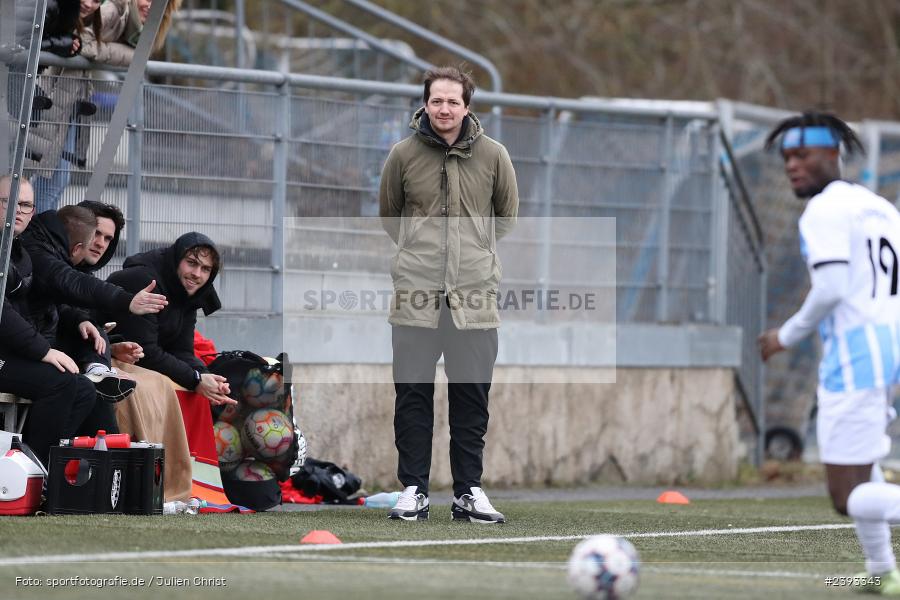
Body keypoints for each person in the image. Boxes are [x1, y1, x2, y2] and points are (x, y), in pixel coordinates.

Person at [758, 112, 900, 593]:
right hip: (885, 352)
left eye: (803, 156)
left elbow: (833, 288)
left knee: (847, 495)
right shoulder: (880, 207)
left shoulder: (824, 210)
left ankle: (882, 571)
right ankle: (883, 573)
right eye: (787, 159)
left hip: (855, 359)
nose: (793, 166)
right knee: (867, 468)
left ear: (833, 153)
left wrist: (785, 336)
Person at [378, 66, 519, 523]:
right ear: (425, 104)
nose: (444, 109)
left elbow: (506, 216)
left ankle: (468, 493)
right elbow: (390, 216)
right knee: (413, 396)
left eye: (452, 101)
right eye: (436, 101)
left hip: (475, 295)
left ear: (467, 106)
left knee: (471, 398)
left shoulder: (495, 155)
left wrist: (473, 249)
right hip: (415, 294)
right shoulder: (402, 154)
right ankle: (414, 489)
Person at [0, 176, 114, 466]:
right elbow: (3, 312)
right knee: (61, 382)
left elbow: (39, 304)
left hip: (13, 353)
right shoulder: (24, 251)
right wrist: (44, 350)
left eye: (25, 205)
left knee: (85, 388)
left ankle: (57, 471)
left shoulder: (19, 251)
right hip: (8, 356)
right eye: (8, 201)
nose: (17, 211)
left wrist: (77, 319)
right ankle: (29, 471)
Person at [21, 205, 167, 401]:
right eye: (96, 233)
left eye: (108, 239)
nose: (99, 243)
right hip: (31, 354)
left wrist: (107, 342)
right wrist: (126, 300)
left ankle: (99, 377)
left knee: (153, 385)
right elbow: (65, 283)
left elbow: (61, 305)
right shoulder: (40, 252)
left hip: (60, 353)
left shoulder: (75, 268)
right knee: (90, 391)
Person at [104, 232, 234, 406]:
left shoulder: (187, 291)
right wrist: (195, 379)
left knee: (200, 394)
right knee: (170, 388)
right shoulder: (144, 281)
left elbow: (182, 350)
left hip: (143, 362)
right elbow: (145, 352)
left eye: (206, 269)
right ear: (177, 259)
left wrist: (205, 376)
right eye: (192, 263)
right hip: (111, 360)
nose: (197, 274)